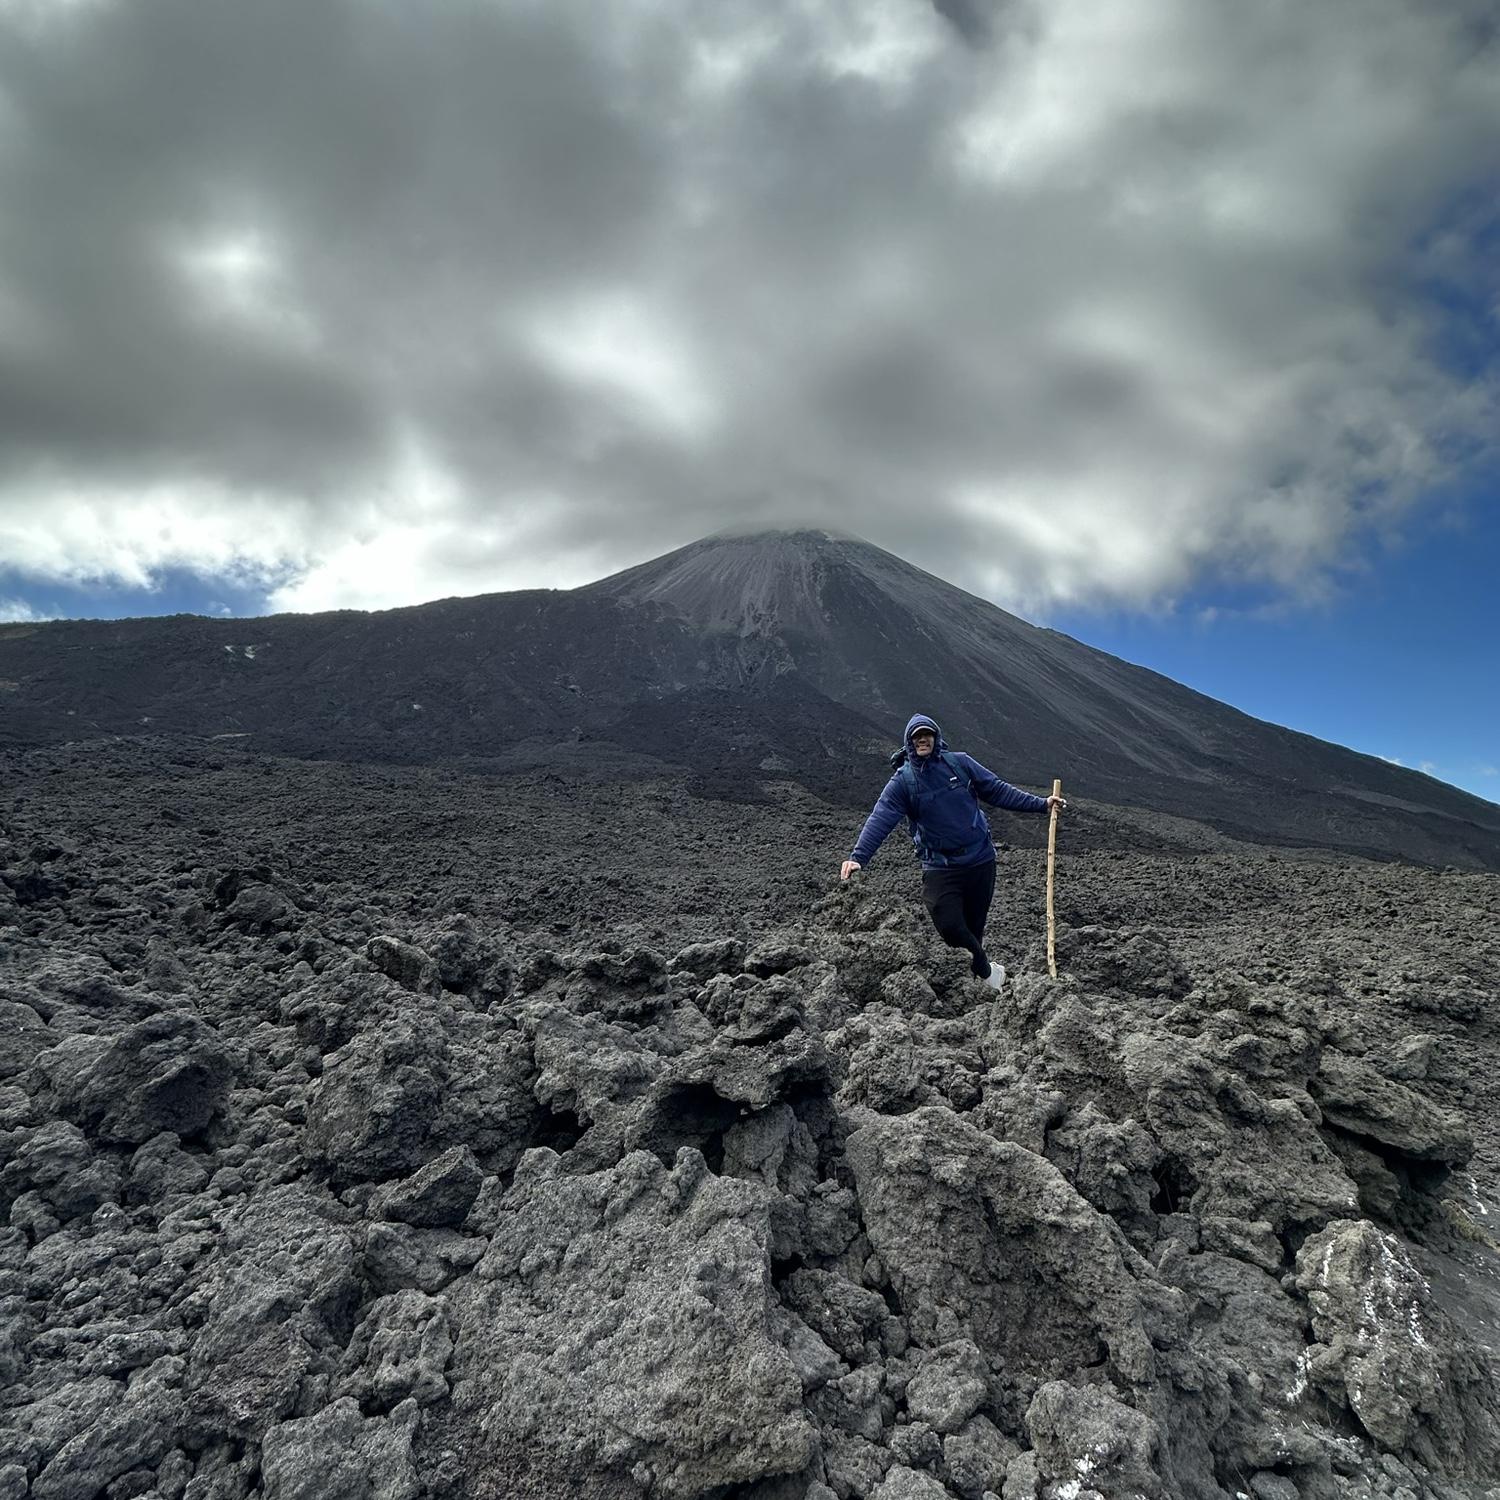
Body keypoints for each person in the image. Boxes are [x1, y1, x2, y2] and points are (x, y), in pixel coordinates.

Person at [840, 713, 1065, 988]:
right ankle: (989, 974)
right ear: (909, 742)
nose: (922, 739)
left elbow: (996, 790)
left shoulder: (960, 763)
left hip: (980, 861)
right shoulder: (903, 781)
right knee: (950, 926)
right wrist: (858, 857)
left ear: (936, 737)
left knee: (973, 928)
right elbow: (881, 817)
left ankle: (976, 985)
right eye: (916, 736)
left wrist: (1041, 804)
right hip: (940, 867)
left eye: (927, 734)